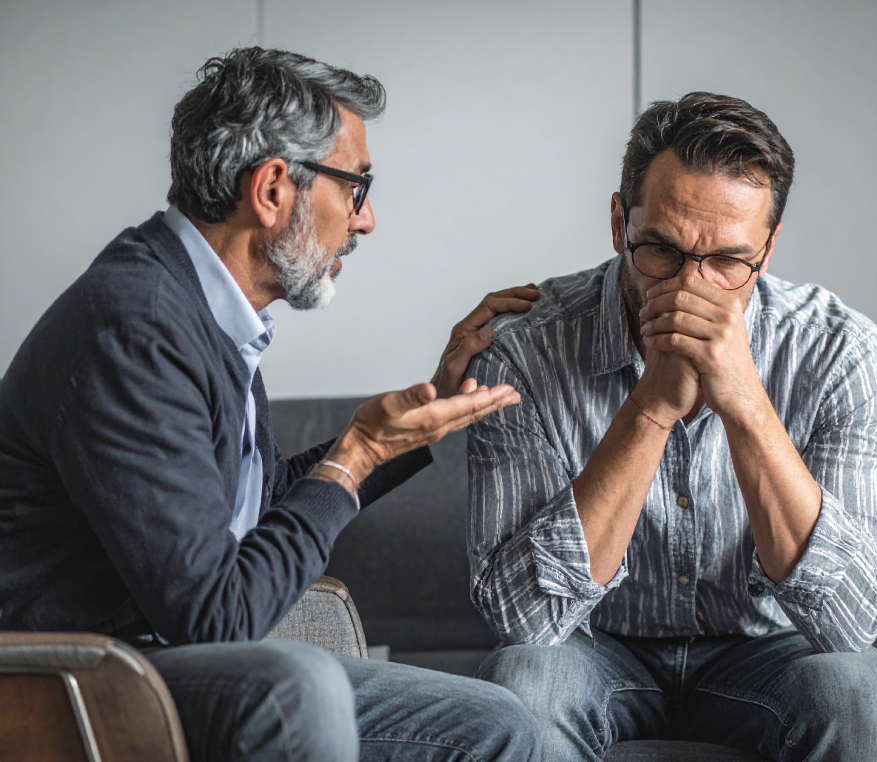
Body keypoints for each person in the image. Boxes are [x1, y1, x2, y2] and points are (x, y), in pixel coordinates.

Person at [0, 47, 543, 762]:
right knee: (296, 687)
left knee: (498, 722)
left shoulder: (205, 312)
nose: (366, 220)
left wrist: (417, 417)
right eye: (356, 187)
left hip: (151, 662)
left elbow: (245, 510)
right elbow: (217, 619)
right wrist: (353, 456)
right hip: (74, 679)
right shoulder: (136, 328)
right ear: (272, 189)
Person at [466, 92, 877, 761]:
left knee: (863, 700)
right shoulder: (521, 351)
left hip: (773, 647)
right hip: (591, 646)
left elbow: (852, 623)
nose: (690, 288)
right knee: (524, 684)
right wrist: (651, 407)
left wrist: (746, 404)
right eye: (662, 250)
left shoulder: (839, 351)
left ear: (767, 248)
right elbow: (524, 619)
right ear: (619, 223)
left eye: (729, 261)